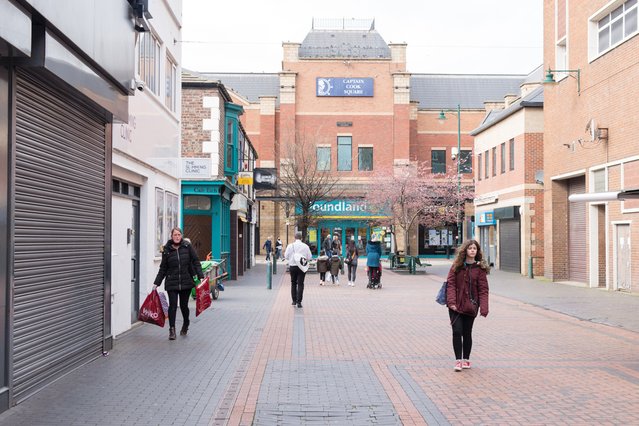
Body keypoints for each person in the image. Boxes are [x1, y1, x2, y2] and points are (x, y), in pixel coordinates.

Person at [445, 239, 490, 372]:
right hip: (455, 305)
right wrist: (452, 302)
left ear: (477, 252)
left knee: (467, 332)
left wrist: (484, 307)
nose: (472, 250)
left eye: (474, 248)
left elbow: (483, 289)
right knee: (457, 331)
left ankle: (466, 359)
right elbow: (451, 284)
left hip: (471, 305)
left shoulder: (480, 269)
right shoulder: (456, 266)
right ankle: (458, 360)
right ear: (465, 250)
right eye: (470, 248)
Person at [153, 227, 204, 340]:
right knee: (172, 306)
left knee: (184, 306)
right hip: (172, 282)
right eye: (174, 235)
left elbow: (196, 261)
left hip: (186, 281)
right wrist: (156, 283)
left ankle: (186, 323)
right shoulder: (166, 250)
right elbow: (163, 268)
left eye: (178, 235)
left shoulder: (187, 246)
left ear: (181, 236)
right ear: (171, 236)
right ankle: (172, 330)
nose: (176, 237)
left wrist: (201, 276)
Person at [285, 231, 312, 308]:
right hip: (302, 267)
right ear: (301, 238)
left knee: (293, 283)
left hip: (293, 266)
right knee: (300, 283)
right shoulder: (305, 246)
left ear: (295, 237)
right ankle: (299, 302)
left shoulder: (290, 246)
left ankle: (294, 301)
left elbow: (286, 256)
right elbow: (309, 257)